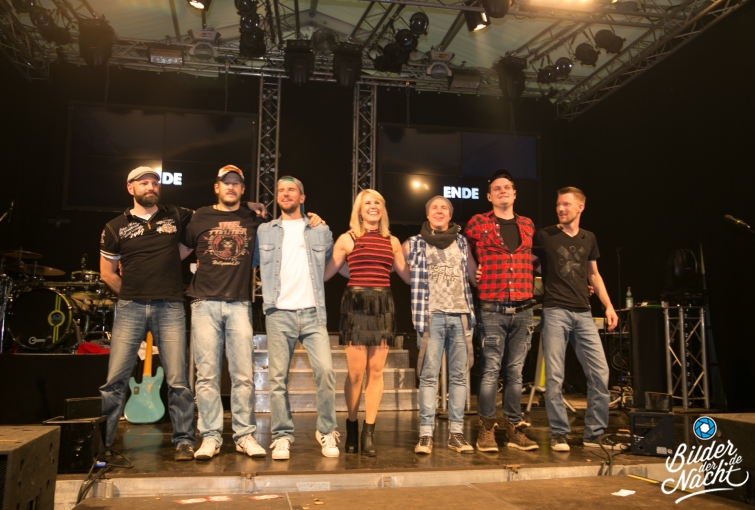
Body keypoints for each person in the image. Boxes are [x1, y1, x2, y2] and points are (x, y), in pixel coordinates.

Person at [99, 166, 197, 461]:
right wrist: (132, 293)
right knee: (115, 381)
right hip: (131, 307)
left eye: (154, 182)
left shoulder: (175, 214)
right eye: (144, 182)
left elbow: (211, 215)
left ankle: (184, 441)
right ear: (130, 188)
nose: (151, 186)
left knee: (178, 380)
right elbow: (107, 273)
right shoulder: (114, 227)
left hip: (170, 306)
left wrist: (248, 206)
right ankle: (102, 445)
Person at [181, 165, 267, 460]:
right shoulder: (200, 216)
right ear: (216, 187)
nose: (231, 186)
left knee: (243, 375)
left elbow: (285, 229)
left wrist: (312, 217)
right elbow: (178, 251)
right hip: (204, 303)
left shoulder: (253, 218)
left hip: (239, 303)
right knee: (206, 376)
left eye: (236, 183)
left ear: (242, 189)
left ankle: (244, 436)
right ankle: (210, 437)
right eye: (225, 182)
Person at [253, 176, 339, 460]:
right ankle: (281, 436)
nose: (285, 193)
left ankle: (326, 430)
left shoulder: (320, 230)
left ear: (302, 198)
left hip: (313, 313)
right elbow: (248, 262)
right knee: (277, 379)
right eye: (280, 190)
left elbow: (332, 261)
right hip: (279, 313)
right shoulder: (264, 231)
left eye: (291, 190)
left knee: (325, 372)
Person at [534, 187, 622, 452]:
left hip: (583, 312)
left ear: (580, 207)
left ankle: (594, 434)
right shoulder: (546, 235)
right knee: (554, 376)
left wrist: (608, 306)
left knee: (600, 373)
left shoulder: (588, 238)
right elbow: (530, 264)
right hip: (555, 311)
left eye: (566, 204)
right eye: (558, 204)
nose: (561, 209)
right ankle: (559, 433)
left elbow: (593, 274)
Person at [324, 189, 409, 457]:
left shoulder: (392, 241)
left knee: (376, 371)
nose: (373, 206)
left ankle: (368, 431)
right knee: (356, 373)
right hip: (356, 305)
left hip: (383, 305)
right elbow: (326, 273)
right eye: (368, 203)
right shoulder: (347, 238)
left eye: (377, 203)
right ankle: (351, 425)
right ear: (359, 210)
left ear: (383, 209)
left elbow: (407, 276)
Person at [464, 168, 539, 452]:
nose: (502, 191)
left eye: (507, 187)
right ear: (489, 196)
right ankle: (486, 429)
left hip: (524, 308)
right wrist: (473, 270)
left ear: (514, 193)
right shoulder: (478, 223)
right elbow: (461, 248)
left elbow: (534, 259)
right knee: (490, 370)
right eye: (497, 188)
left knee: (515, 372)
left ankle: (513, 427)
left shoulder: (528, 224)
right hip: (492, 307)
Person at [402, 196, 477, 454]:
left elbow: (473, 274)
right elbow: (394, 262)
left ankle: (456, 433)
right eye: (434, 207)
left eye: (444, 207)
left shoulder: (462, 241)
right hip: (431, 316)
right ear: (427, 214)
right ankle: (426, 434)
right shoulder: (414, 242)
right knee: (428, 376)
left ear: (450, 214)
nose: (439, 210)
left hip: (460, 315)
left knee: (458, 377)